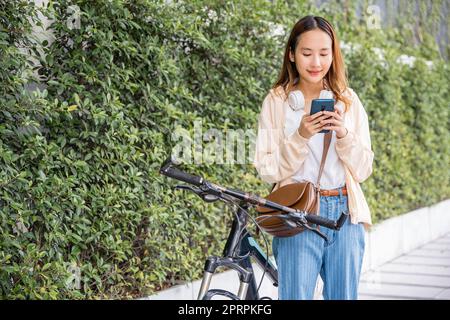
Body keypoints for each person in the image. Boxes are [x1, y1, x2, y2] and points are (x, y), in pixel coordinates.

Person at [253, 15, 374, 300]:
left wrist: (343, 133)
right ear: (292, 55)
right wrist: (301, 136)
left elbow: (364, 168)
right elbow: (267, 169)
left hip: (345, 213)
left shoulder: (347, 100)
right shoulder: (278, 101)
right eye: (307, 53)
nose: (316, 62)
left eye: (324, 53)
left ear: (334, 54)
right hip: (297, 214)